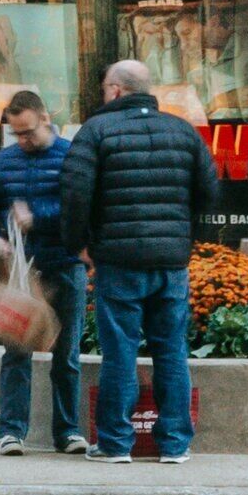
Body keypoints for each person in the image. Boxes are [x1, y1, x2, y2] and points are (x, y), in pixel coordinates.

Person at [62, 57, 215, 463]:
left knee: (120, 352)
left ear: (115, 90)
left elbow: (75, 194)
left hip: (118, 260)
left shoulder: (96, 131)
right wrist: (184, 236)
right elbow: (209, 191)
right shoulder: (182, 131)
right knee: (171, 350)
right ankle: (175, 444)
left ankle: (115, 443)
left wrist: (79, 245)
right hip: (171, 263)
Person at [0, 90, 82, 455]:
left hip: (64, 262)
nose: (23, 140)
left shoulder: (70, 156)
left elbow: (78, 207)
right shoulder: (5, 160)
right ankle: (11, 431)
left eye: (28, 132)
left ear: (45, 119)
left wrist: (37, 218)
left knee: (66, 354)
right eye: (16, 133)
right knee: (16, 351)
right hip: (22, 269)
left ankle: (67, 432)